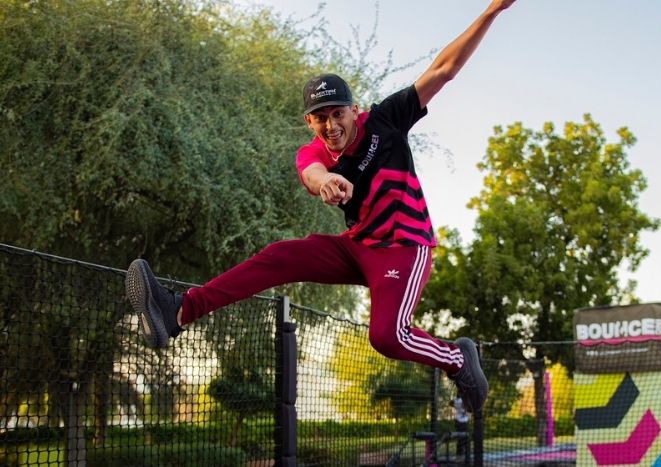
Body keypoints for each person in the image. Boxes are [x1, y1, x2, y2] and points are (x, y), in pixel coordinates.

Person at [125, 0, 516, 415]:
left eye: (337, 114)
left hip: (405, 245)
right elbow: (311, 172)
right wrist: (324, 179)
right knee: (280, 256)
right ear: (309, 122)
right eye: (320, 119)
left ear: (354, 109)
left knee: (387, 337)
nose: (332, 126)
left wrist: (491, 11)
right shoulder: (312, 153)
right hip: (357, 246)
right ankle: (179, 311)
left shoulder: (386, 119)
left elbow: (443, 69)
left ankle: (458, 359)